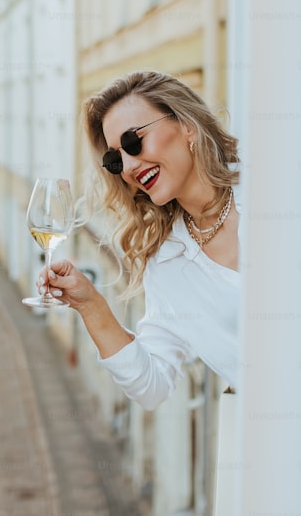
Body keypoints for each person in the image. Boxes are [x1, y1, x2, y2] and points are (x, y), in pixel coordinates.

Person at [37, 70, 241, 410]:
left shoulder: (271, 187)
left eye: (134, 141)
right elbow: (151, 387)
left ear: (186, 125)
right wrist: (90, 304)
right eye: (116, 159)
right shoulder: (167, 264)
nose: (130, 166)